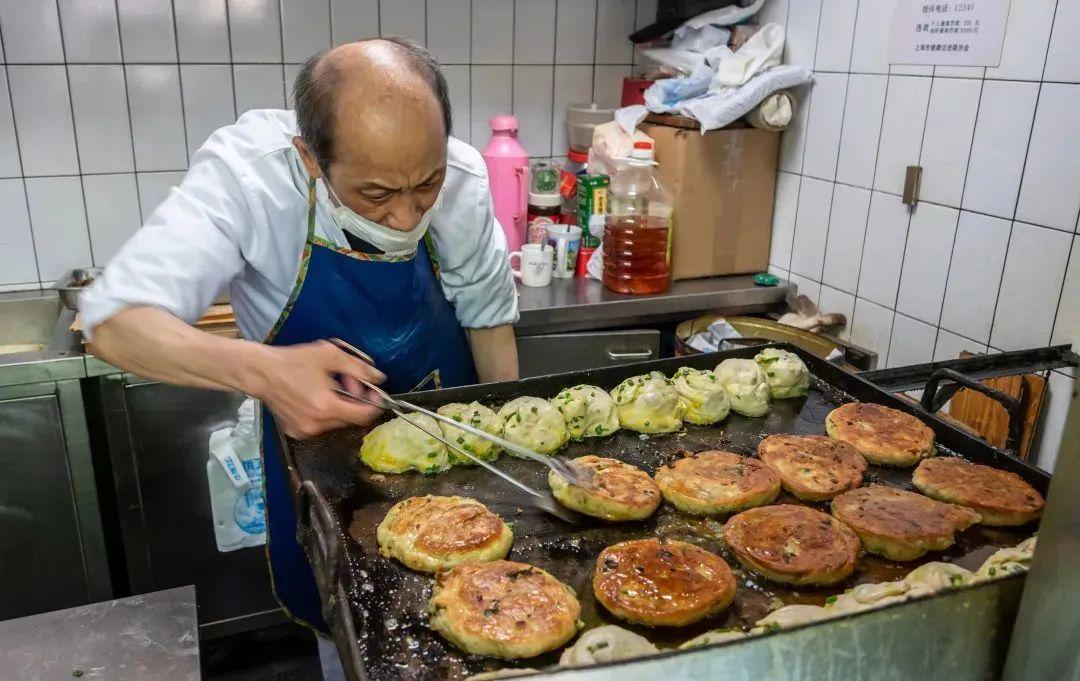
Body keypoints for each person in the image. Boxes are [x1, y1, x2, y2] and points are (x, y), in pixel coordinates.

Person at [80, 38, 519, 672]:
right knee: (353, 630)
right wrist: (267, 372)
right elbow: (113, 323)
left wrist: (515, 466)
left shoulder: (465, 176)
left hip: (455, 456)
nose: (404, 216)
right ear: (309, 158)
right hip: (325, 477)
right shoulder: (248, 178)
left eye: (426, 186)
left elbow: (488, 321)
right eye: (375, 194)